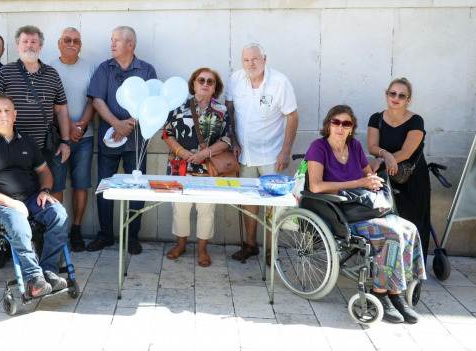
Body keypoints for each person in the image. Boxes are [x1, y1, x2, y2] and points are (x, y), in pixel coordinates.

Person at [306, 104, 425, 324]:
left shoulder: (356, 147)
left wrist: (373, 180)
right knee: (391, 233)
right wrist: (358, 183)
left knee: (408, 228)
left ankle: (396, 293)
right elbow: (315, 186)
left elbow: (368, 175)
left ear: (352, 128)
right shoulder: (318, 148)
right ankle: (381, 293)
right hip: (341, 211)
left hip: (365, 207)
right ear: (328, 124)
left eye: (346, 123)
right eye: (336, 122)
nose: (340, 127)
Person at [0, 94, 69, 298]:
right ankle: (33, 279)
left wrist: (44, 191)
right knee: (16, 219)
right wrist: (9, 202)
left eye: (7, 110)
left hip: (31, 198)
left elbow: (45, 172)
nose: (2, 115)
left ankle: (49, 271)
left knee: (58, 213)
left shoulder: (27, 142)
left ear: (15, 115)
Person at [86, 26, 157, 255]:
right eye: (111, 40)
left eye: (116, 40)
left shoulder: (146, 70)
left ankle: (131, 236)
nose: (112, 44)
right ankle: (105, 235)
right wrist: (117, 124)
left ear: (130, 44)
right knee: (105, 189)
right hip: (109, 141)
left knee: (137, 190)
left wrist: (130, 123)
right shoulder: (104, 68)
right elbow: (97, 100)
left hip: (136, 143)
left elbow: (152, 103)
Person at [225, 43, 298, 262]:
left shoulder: (279, 83)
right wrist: (233, 140)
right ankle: (250, 245)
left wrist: (286, 151)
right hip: (244, 155)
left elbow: (292, 117)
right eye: (246, 60)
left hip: (272, 156)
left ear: (264, 58)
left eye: (255, 59)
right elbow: (228, 112)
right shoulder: (235, 80)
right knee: (248, 201)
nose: (251, 64)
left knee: (271, 205)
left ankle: (270, 248)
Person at [162, 68, 232, 267]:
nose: (205, 84)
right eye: (201, 80)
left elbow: (226, 139)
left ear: (215, 88)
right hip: (180, 167)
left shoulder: (222, 111)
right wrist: (182, 152)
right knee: (180, 209)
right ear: (193, 84)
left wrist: (204, 153)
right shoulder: (177, 107)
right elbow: (167, 133)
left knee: (206, 210)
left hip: (208, 170)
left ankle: (202, 250)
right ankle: (180, 245)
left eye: (210, 82)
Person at [368, 78, 431, 258]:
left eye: (401, 96)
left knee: (414, 221)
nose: (396, 98)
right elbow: (372, 147)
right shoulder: (376, 118)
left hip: (413, 178)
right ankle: (387, 266)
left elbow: (406, 152)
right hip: (387, 177)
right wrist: (384, 155)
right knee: (388, 222)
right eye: (392, 93)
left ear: (408, 100)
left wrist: (381, 159)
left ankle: (414, 272)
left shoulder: (416, 121)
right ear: (386, 95)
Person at [0, 26, 71, 162]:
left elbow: (61, 109)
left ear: (40, 46)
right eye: (25, 41)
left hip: (45, 148)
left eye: (33, 42)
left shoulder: (52, 74)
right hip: (11, 147)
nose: (29, 45)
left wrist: (66, 141)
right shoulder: (5, 73)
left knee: (45, 182)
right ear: (17, 46)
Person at [48, 27, 97, 252]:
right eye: (67, 40)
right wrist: (67, 129)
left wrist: (81, 126)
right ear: (59, 43)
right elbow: (48, 106)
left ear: (80, 45)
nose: (71, 43)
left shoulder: (89, 67)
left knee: (81, 184)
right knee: (57, 184)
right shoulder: (48, 69)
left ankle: (76, 229)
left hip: (84, 137)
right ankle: (58, 230)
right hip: (58, 138)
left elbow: (93, 101)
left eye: (76, 41)